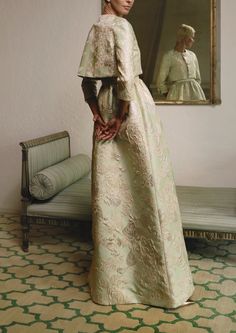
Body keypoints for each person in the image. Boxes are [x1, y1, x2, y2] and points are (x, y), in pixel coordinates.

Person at [78, 0, 195, 309]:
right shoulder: (122, 27)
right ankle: (159, 283)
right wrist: (123, 113)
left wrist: (99, 115)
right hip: (131, 108)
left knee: (112, 189)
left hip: (106, 102)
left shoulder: (95, 27)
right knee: (145, 185)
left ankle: (113, 284)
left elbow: (87, 83)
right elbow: (126, 77)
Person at [156, 24, 206, 101]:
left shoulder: (192, 55)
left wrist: (194, 88)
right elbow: (160, 81)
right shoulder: (169, 56)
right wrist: (169, 94)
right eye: (191, 38)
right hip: (177, 94)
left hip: (196, 94)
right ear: (184, 38)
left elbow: (198, 78)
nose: (193, 40)